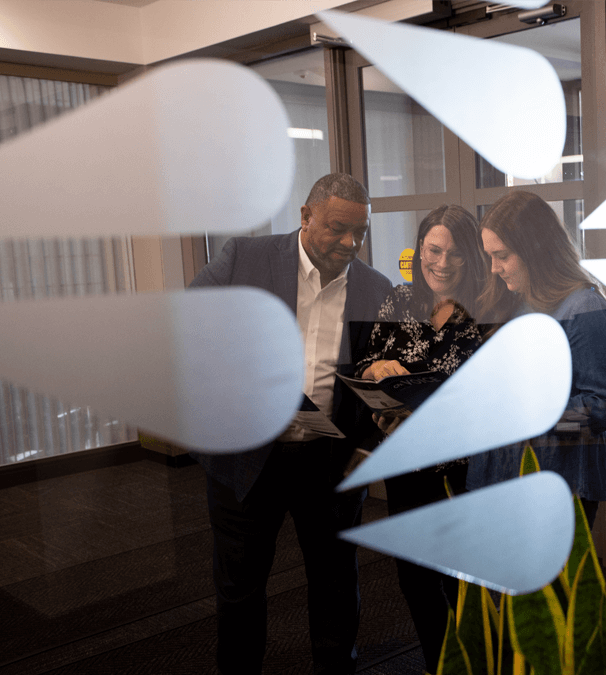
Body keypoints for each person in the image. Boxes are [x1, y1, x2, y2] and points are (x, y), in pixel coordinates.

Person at [189, 173, 392, 675]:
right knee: (240, 589)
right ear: (305, 217)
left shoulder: (375, 289)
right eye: (338, 229)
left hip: (328, 464)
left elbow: (377, 386)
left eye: (360, 233)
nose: (350, 243)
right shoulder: (245, 259)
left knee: (335, 584)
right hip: (246, 457)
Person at [355, 204, 487, 674]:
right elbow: (366, 361)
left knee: (462, 584)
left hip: (463, 472)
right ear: (420, 249)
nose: (442, 262)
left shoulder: (489, 308)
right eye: (433, 249)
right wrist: (377, 369)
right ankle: (437, 665)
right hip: (406, 468)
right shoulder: (398, 301)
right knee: (415, 579)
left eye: (454, 253)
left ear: (471, 256)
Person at [467, 190, 606, 528]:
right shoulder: (515, 300)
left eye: (502, 256)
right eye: (489, 256)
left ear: (535, 250)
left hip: (555, 481)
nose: (494, 269)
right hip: (502, 473)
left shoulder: (584, 308)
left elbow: (604, 409)